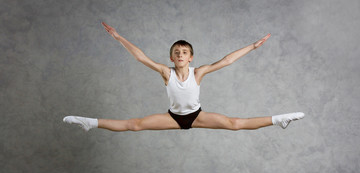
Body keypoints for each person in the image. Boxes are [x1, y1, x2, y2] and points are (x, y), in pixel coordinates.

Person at [63, 22, 304, 132]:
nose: (180, 55)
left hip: (197, 116)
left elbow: (226, 60)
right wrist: (118, 37)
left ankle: (279, 119)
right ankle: (90, 122)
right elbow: (141, 57)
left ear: (191, 58)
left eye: (185, 52)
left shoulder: (198, 72)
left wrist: (252, 46)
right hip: (173, 118)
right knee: (133, 125)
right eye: (176, 52)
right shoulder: (165, 72)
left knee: (235, 124)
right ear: (171, 58)